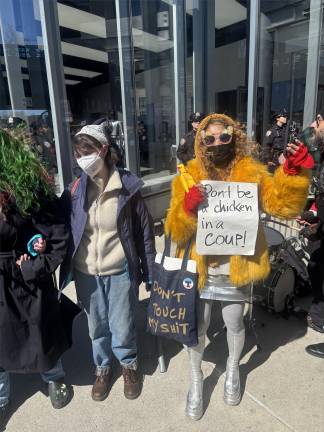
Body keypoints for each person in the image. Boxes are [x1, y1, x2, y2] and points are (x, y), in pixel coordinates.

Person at [165, 113, 314, 420]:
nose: (217, 143)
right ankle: (196, 378)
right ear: (200, 142)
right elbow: (174, 230)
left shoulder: (253, 174)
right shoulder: (188, 175)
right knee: (198, 326)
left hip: (236, 267)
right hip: (200, 269)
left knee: (234, 323)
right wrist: (187, 209)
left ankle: (232, 368)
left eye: (224, 136)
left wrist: (292, 171)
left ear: (235, 137)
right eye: (209, 138)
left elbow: (283, 206)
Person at [59, 124, 155, 402]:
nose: (82, 159)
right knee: (96, 326)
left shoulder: (128, 187)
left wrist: (149, 272)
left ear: (103, 149)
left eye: (86, 152)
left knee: (123, 324)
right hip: (85, 270)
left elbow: (144, 234)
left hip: (119, 269)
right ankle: (102, 368)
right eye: (77, 153)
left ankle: (128, 365)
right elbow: (62, 227)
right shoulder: (75, 189)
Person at [0, 129, 78, 428]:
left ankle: (53, 377)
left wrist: (31, 269)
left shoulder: (30, 192)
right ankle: (2, 397)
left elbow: (57, 240)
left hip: (27, 278)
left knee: (41, 330)